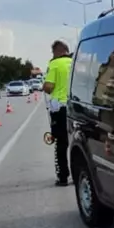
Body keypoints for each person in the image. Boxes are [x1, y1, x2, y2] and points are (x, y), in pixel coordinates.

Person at [43, 40, 73, 187]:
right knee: (76, 142)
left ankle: (63, 177)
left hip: (60, 108)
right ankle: (78, 175)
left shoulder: (54, 64)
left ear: (56, 51)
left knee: (61, 143)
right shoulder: (75, 62)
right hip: (76, 106)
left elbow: (49, 86)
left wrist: (45, 86)